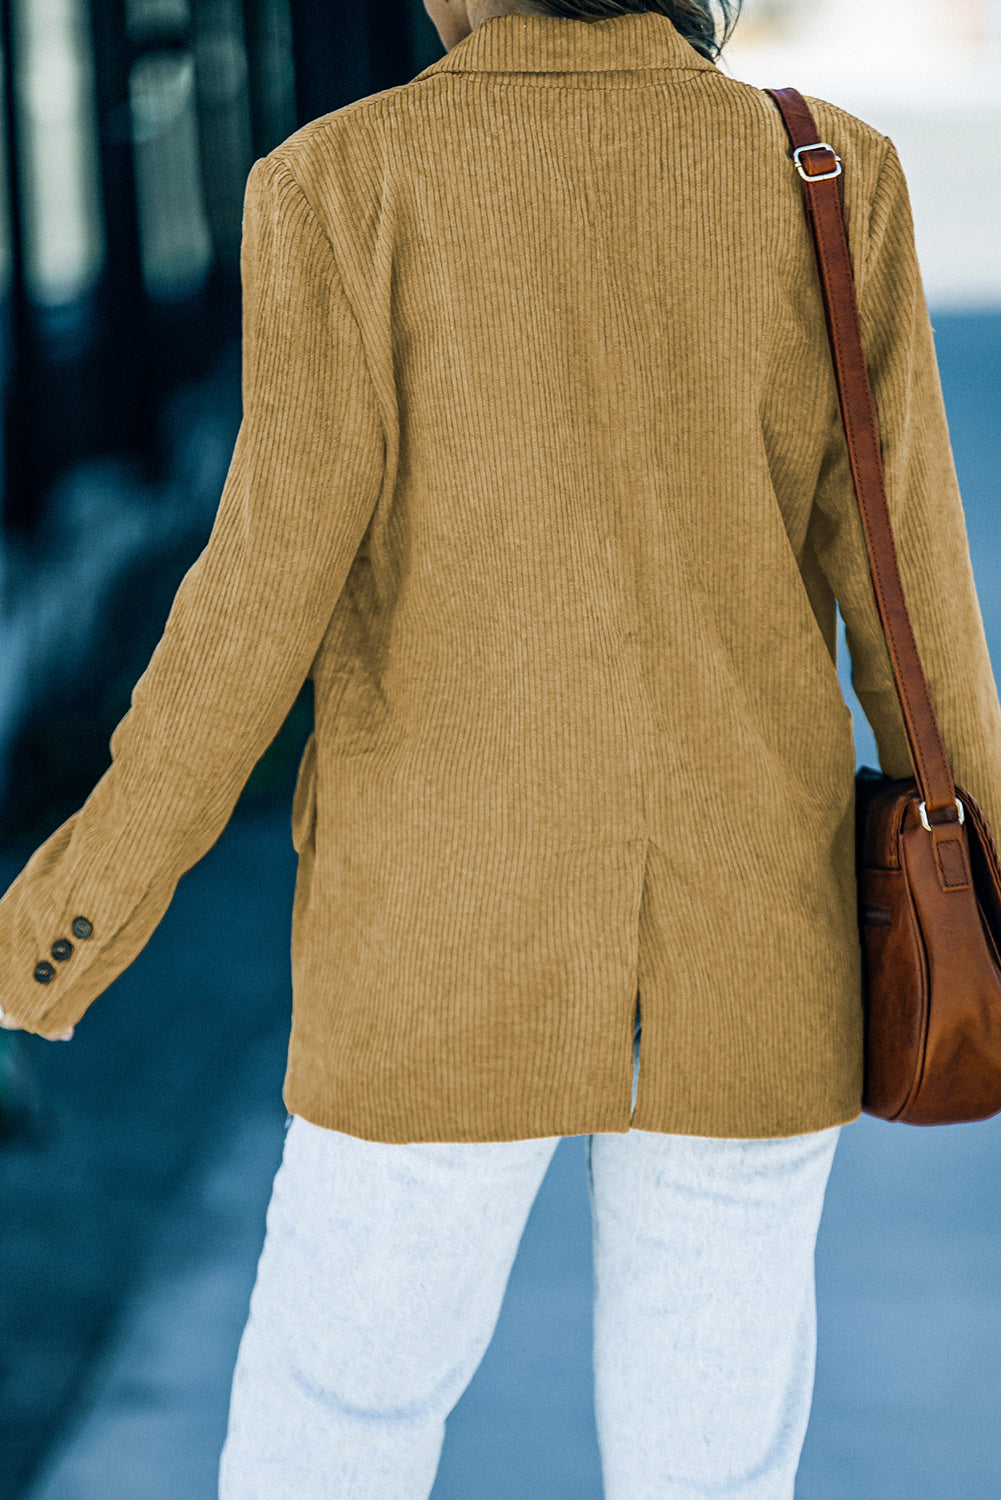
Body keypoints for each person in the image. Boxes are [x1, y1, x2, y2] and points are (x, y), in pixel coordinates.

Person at [2, 0, 1000, 1495]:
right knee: (712, 1469)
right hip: (754, 949)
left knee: (335, 1428)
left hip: (432, 960)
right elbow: (913, 602)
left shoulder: (343, 185)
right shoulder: (823, 174)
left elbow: (253, 611)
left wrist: (54, 933)